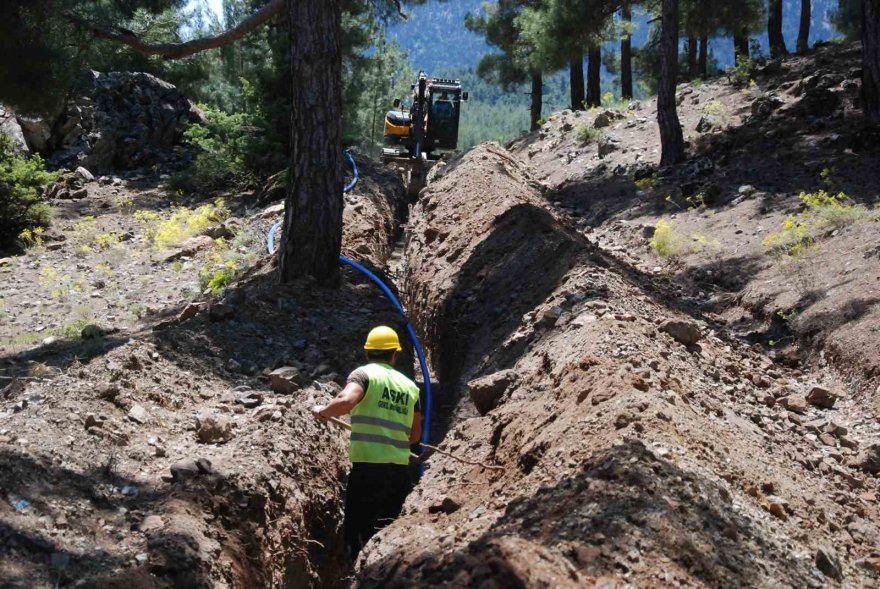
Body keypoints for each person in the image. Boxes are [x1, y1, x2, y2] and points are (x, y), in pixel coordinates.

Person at [311, 325, 422, 560]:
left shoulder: (364, 375)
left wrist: (323, 411)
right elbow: (414, 436)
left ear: (368, 352)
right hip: (399, 474)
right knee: (387, 535)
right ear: (394, 353)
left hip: (368, 472)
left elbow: (346, 400)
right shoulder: (410, 387)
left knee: (357, 537)